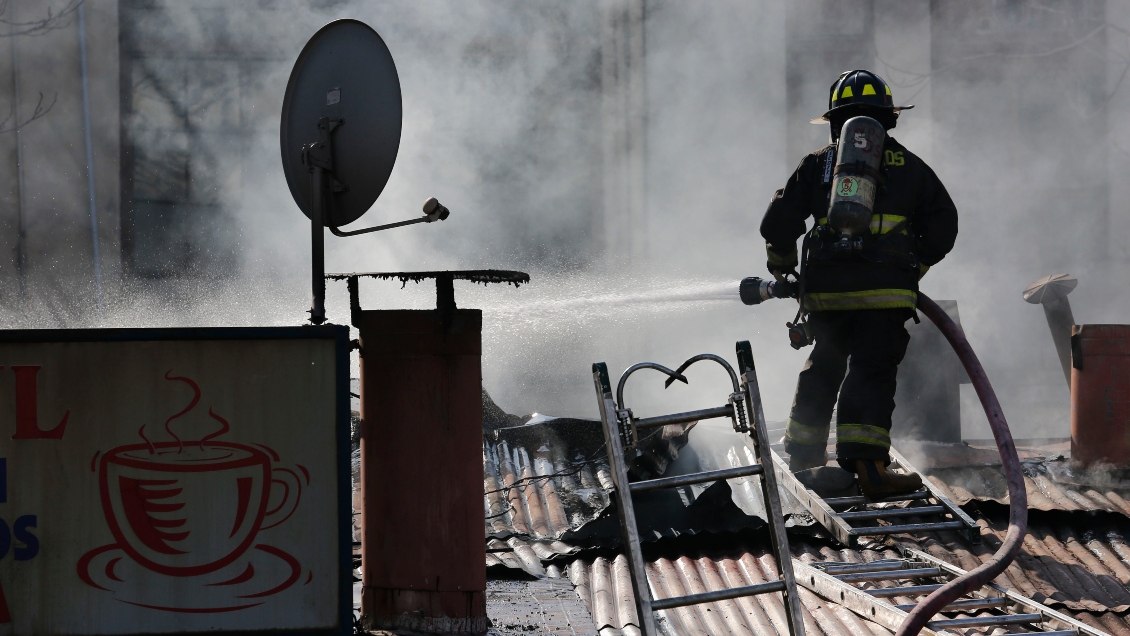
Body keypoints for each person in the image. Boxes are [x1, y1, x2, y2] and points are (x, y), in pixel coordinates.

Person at [759, 69, 958, 497]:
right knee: (871, 370)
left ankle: (804, 457)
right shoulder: (911, 167)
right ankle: (868, 468)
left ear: (835, 122)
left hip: (827, 294)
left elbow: (779, 222)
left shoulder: (818, 164)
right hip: (885, 296)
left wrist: (782, 268)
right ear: (888, 120)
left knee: (823, 366)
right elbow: (944, 225)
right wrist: (913, 268)